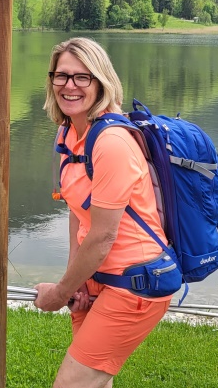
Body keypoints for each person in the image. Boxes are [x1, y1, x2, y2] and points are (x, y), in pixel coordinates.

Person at [34, 37, 171, 388]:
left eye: (82, 77)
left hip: (135, 282)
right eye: (61, 75)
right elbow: (78, 212)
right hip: (97, 276)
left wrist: (59, 293)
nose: (69, 85)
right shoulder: (68, 134)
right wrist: (76, 277)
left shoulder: (111, 142)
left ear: (101, 82)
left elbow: (104, 235)